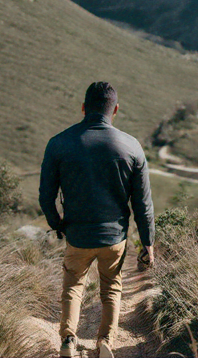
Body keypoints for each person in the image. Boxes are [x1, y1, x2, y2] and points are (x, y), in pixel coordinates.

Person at [39, 81, 155, 358]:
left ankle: (68, 340)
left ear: (83, 108)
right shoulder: (131, 146)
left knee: (73, 286)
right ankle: (105, 342)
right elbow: (143, 204)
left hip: (77, 235)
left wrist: (58, 224)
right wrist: (148, 243)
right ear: (115, 110)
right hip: (114, 237)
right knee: (112, 288)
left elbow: (46, 195)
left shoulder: (59, 143)